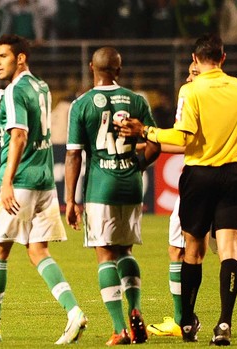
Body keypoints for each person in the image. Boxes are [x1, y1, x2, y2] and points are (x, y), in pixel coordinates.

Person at [117, 34, 237, 345]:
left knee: (192, 251)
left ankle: (189, 323)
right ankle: (224, 324)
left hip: (199, 176)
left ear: (195, 59)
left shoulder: (191, 91)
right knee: (230, 250)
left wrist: (146, 130)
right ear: (223, 58)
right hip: (233, 175)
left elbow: (182, 139)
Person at [0, 34, 87, 345]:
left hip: (21, 180)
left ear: (21, 58)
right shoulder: (39, 87)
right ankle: (74, 312)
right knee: (38, 250)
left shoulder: (15, 91)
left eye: (3, 56)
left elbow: (18, 137)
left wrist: (8, 182)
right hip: (43, 180)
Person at [64, 46, 160, 346]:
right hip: (131, 185)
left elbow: (73, 156)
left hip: (100, 188)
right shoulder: (136, 100)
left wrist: (70, 199)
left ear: (92, 66)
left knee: (104, 253)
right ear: (118, 69)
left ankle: (121, 329)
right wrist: (136, 164)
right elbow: (155, 143)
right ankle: (135, 310)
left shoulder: (81, 105)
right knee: (126, 252)